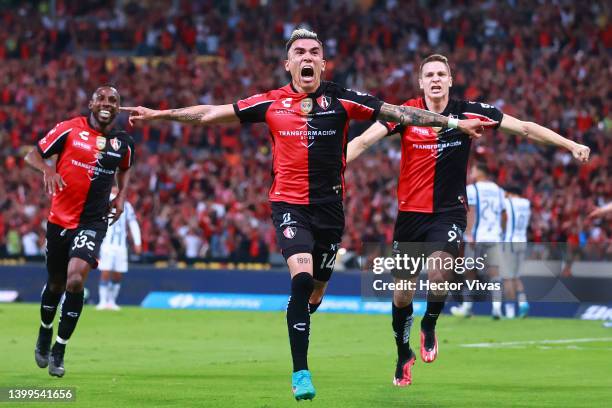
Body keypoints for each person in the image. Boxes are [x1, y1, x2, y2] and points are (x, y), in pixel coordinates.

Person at [120, 29, 492, 400]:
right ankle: (300, 372)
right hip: (288, 206)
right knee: (300, 281)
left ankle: (312, 311)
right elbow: (209, 114)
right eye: (299, 52)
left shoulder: (343, 99)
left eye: (314, 51)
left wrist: (456, 124)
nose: (307, 56)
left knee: (315, 292)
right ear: (289, 64)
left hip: (329, 212)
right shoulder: (270, 102)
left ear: (323, 63)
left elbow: (402, 113)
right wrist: (160, 114)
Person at [346, 54, 590, 387]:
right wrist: (332, 166)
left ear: (450, 80)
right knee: (402, 294)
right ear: (420, 82)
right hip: (410, 216)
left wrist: (570, 143)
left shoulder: (470, 112)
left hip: (449, 211)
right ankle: (403, 352)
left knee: (441, 270)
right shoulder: (405, 112)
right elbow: (362, 141)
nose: (434, 79)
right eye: (428, 74)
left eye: (440, 74)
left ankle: (429, 323)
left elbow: (526, 129)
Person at [25, 86, 135, 377]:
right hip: (60, 220)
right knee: (56, 284)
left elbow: (125, 168)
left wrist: (122, 195)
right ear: (91, 103)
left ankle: (60, 348)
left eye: (113, 100)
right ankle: (45, 331)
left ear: (118, 108)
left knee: (76, 281)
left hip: (93, 221)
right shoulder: (69, 128)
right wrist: (47, 170)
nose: (106, 104)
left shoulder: (123, 143)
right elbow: (32, 155)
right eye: (101, 98)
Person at [453, 163, 506, 319]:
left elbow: (472, 212)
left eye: (473, 170)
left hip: (476, 237)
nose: (471, 172)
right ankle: (497, 308)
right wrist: (500, 231)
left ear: (480, 172)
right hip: (494, 237)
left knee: (470, 272)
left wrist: (469, 234)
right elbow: (504, 215)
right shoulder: (498, 190)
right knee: (495, 272)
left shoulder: (472, 189)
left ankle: (467, 306)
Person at [96, 186, 142, 311]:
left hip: (121, 246)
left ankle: (112, 301)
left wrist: (137, 242)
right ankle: (102, 301)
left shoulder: (127, 206)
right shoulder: (106, 202)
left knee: (118, 274)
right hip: (107, 244)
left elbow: (133, 223)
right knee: (105, 272)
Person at [499, 185, 531, 319]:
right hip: (522, 240)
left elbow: (504, 219)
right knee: (517, 276)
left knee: (508, 278)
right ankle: (523, 303)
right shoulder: (526, 203)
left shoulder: (508, 202)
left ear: (509, 193)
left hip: (510, 241)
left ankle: (510, 311)